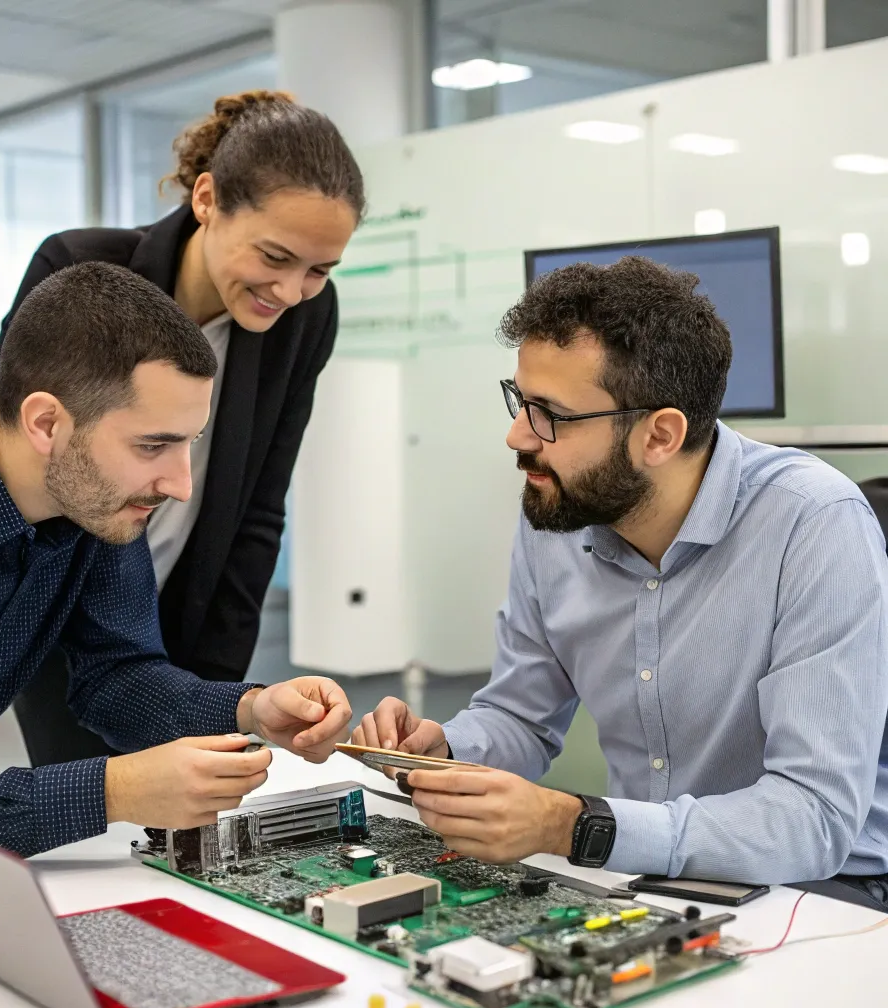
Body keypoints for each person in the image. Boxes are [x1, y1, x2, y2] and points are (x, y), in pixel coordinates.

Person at [353, 255, 888, 903]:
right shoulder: (561, 508)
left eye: (549, 413)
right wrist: (442, 749)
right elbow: (520, 715)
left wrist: (573, 826)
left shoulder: (813, 525)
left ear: (660, 436)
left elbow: (813, 817)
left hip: (823, 888)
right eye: (521, 401)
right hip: (638, 872)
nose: (517, 436)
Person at [0, 261, 351, 876]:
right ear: (47, 423)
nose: (179, 484)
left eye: (188, 443)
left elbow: (117, 677)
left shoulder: (91, 498)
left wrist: (251, 709)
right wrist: (112, 791)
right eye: (152, 445)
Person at [0, 90, 364, 768]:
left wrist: (224, 692)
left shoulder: (307, 318)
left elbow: (257, 506)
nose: (289, 291)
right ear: (208, 200)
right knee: (89, 812)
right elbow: (19, 460)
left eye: (318, 270)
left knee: (189, 814)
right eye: (274, 258)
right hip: (64, 607)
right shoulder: (78, 271)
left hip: (189, 601)